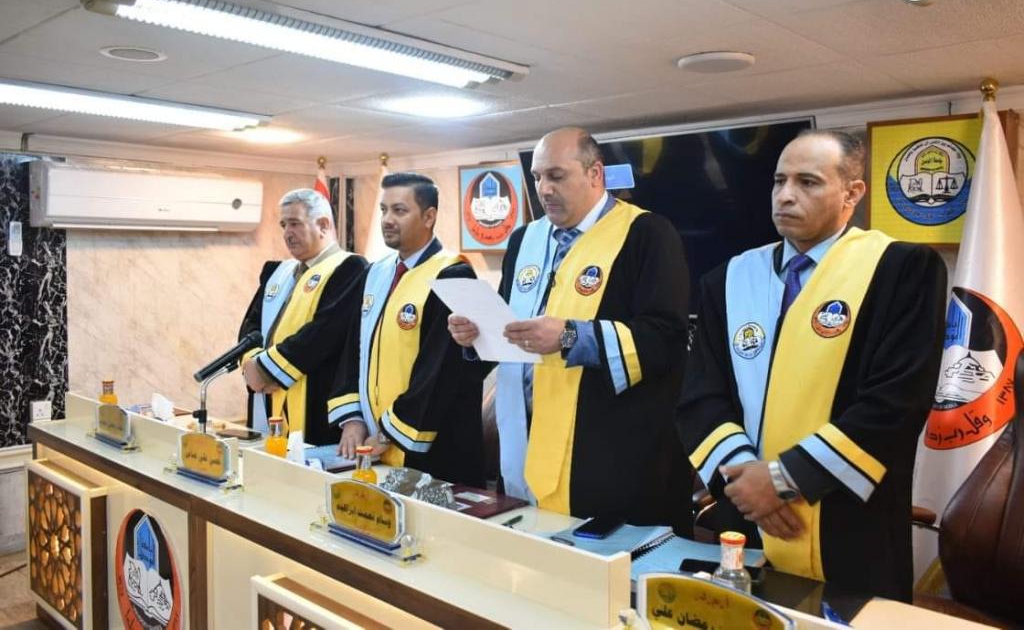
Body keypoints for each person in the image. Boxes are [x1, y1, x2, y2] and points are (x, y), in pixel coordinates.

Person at [676, 130, 946, 600]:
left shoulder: (902, 269)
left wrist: (783, 480)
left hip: (847, 517)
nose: (785, 195)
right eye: (779, 180)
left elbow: (897, 402)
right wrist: (747, 481)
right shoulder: (729, 279)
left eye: (807, 182)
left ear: (852, 193)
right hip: (747, 515)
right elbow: (701, 393)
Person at [448, 127, 692, 529]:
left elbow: (665, 337)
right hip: (525, 436)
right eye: (537, 177)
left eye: (557, 176)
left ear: (595, 174)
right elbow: (510, 327)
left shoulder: (646, 234)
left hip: (603, 447)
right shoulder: (525, 239)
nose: (544, 189)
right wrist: (476, 335)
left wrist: (569, 337)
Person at [328, 173, 485, 486]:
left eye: (399, 210)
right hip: (373, 443)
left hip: (431, 449)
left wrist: (386, 434)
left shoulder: (453, 274)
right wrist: (353, 419)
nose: (387, 219)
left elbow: (438, 372)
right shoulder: (375, 273)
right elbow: (352, 351)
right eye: (384, 210)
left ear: (429, 217)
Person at [238, 188, 366, 447]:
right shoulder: (277, 272)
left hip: (316, 398)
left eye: (295, 223)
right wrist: (251, 362)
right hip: (268, 396)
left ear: (323, 224)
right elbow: (250, 327)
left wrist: (265, 369)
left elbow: (323, 334)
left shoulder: (350, 268)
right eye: (283, 225)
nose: (287, 232)